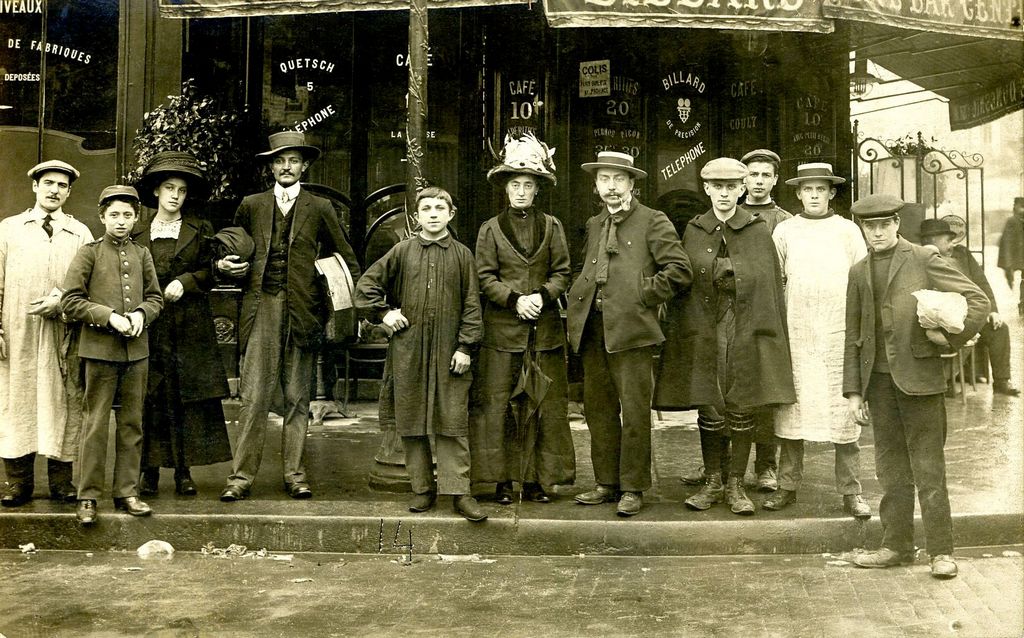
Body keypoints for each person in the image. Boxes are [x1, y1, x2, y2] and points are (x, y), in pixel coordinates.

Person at [845, 194, 989, 579]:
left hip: (920, 381)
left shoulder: (923, 258)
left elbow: (977, 299)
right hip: (878, 383)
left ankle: (941, 552)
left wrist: (948, 338)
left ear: (896, 224)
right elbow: (853, 335)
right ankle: (896, 546)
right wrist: (854, 391)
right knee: (890, 470)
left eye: (884, 224)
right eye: (869, 226)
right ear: (863, 228)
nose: (877, 232)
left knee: (929, 470)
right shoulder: (858, 271)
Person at [216, 131, 360, 502]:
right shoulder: (251, 205)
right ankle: (240, 478)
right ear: (270, 167)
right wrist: (227, 266)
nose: (286, 167)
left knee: (298, 398)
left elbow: (346, 259)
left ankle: (295, 475)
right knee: (254, 397)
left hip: (304, 310)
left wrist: (341, 304)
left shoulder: (320, 207)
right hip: (261, 306)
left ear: (304, 165)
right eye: (279, 161)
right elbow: (234, 251)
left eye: (293, 160)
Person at [655, 157, 794, 516]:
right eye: (717, 187)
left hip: (745, 325)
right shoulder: (695, 228)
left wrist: (729, 270)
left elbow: (766, 281)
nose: (724, 194)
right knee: (709, 401)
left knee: (742, 401)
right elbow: (685, 277)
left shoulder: (757, 229)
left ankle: (735, 483)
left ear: (742, 189)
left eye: (732, 187)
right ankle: (713, 479)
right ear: (707, 189)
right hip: (704, 326)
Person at [567, 151, 691, 517]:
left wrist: (642, 294)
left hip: (633, 333)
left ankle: (633, 487)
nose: (612, 187)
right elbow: (584, 268)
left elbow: (680, 270)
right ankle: (606, 482)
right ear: (596, 186)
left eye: (619, 180)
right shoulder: (593, 224)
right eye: (605, 180)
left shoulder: (653, 221)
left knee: (634, 413)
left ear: (632, 185)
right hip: (593, 330)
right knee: (598, 410)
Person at [355, 187, 487, 522]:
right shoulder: (402, 251)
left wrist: (465, 346)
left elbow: (473, 304)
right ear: (417, 216)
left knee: (452, 419)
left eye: (439, 208)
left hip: (448, 351)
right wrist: (384, 314)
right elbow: (366, 287)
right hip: (409, 348)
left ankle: (458, 492)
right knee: (411, 418)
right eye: (426, 208)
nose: (432, 213)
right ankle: (422, 489)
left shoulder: (462, 255)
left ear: (450, 214)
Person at [471, 134, 574, 504]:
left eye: (528, 185)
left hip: (543, 333)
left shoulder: (554, 227)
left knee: (543, 406)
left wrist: (542, 297)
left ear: (537, 190)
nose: (520, 191)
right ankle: (498, 481)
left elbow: (563, 272)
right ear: (505, 187)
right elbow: (484, 277)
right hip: (501, 333)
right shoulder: (489, 228)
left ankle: (538, 481)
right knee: (498, 406)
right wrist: (514, 300)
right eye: (515, 184)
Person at [764, 163, 871, 519]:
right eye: (807, 189)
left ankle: (851, 491)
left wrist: (856, 327)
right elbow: (775, 279)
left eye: (820, 189)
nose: (814, 195)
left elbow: (862, 279)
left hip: (837, 331)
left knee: (843, 410)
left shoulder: (848, 231)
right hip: (797, 330)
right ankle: (787, 485)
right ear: (797, 193)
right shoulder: (785, 231)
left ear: (831, 193)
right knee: (793, 409)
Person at [61, 186, 164, 525]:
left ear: (136, 219)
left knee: (132, 423)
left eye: (128, 215)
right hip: (99, 350)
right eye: (114, 215)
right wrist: (109, 317)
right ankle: (88, 496)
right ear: (102, 217)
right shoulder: (89, 253)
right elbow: (71, 301)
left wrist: (139, 316)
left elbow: (155, 298)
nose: (121, 222)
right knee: (95, 424)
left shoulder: (142, 254)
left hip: (136, 352)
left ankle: (127, 492)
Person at [132, 151, 232, 496]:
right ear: (157, 192)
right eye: (169, 188)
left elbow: (211, 272)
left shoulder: (200, 229)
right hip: (151, 327)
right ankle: (148, 472)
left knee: (186, 399)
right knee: (151, 397)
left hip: (190, 327)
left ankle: (183, 472)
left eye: (182, 190)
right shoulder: (137, 230)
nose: (176, 196)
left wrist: (187, 282)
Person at [0, 160, 93, 507]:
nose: (54, 190)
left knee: (64, 403)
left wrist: (63, 303)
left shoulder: (80, 233)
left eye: (62, 185)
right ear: (35, 187)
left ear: (69, 192)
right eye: (48, 183)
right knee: (15, 401)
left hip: (62, 333)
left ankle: (61, 482)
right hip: (18, 331)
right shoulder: (10, 229)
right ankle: (18, 483)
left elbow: (89, 284)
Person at [919, 218, 1019, 396]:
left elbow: (981, 282)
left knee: (999, 329)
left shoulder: (963, 254)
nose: (952, 244)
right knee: (949, 336)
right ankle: (946, 380)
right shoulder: (922, 258)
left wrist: (993, 311)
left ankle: (1002, 381)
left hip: (971, 314)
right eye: (948, 240)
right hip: (942, 317)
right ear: (932, 240)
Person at [997, 197, 1024, 316]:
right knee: (1015, 278)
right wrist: (1008, 263)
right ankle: (1022, 304)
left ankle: (1022, 303)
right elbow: (1006, 242)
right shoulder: (1012, 221)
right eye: (1020, 206)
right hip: (1016, 256)